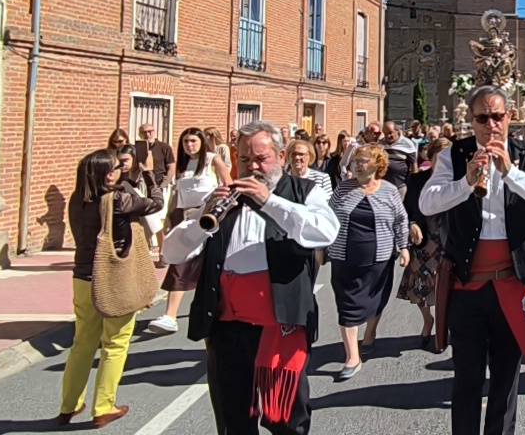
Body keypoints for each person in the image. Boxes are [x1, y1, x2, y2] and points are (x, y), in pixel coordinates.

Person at [162, 121, 339, 435]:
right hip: (228, 330)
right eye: (245, 160)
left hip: (281, 329)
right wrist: (203, 221)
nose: (253, 166)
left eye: (261, 159)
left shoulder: (304, 191)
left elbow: (325, 230)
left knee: (287, 422)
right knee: (234, 422)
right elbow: (172, 253)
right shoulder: (225, 198)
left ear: (281, 156)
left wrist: (268, 201)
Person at [420, 85, 525, 435]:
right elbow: (427, 203)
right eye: (483, 117)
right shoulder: (454, 155)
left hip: (513, 284)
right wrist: (465, 182)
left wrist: (511, 171)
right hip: (468, 286)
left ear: (510, 117)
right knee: (466, 379)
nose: (491, 124)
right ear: (471, 120)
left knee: (505, 380)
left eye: (498, 116)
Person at [57, 149, 163, 427]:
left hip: (82, 277)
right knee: (115, 343)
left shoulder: (77, 199)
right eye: (117, 167)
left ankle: (69, 404)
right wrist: (150, 174)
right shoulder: (117, 199)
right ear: (107, 172)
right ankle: (104, 406)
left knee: (82, 343)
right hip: (112, 279)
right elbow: (155, 203)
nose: (121, 170)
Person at [328, 144, 410, 381]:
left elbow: (400, 220)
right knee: (347, 304)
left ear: (377, 164)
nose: (357, 164)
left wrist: (403, 247)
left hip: (380, 258)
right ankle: (352, 356)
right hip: (344, 256)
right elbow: (328, 217)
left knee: (376, 298)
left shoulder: (389, 190)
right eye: (356, 161)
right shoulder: (344, 188)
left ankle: (371, 333)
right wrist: (322, 248)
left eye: (363, 161)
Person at [150, 127, 231, 335]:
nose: (189, 145)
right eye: (186, 142)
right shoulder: (183, 166)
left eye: (193, 141)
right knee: (179, 262)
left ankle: (220, 307)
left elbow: (228, 186)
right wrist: (169, 216)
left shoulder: (212, 160)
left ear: (202, 142)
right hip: (185, 219)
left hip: (208, 218)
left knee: (212, 266)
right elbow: (177, 193)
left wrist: (217, 205)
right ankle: (170, 316)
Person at [397, 137, 452, 351]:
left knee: (447, 289)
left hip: (448, 243)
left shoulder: (457, 181)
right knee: (421, 288)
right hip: (425, 241)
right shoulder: (418, 180)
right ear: (432, 158)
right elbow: (407, 209)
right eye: (440, 158)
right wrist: (412, 224)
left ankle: (443, 328)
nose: (444, 163)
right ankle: (428, 319)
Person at [134, 123, 176, 194]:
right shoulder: (135, 148)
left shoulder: (164, 147)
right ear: (139, 134)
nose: (147, 135)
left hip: (159, 185)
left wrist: (164, 184)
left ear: (154, 132)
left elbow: (171, 167)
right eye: (144, 132)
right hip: (141, 185)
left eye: (150, 131)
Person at [381, 121, 418, 189]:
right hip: (382, 186)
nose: (387, 136)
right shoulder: (380, 144)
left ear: (397, 131)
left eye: (390, 133)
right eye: (385, 133)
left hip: (400, 185)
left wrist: (414, 185)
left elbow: (414, 165)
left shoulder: (407, 144)